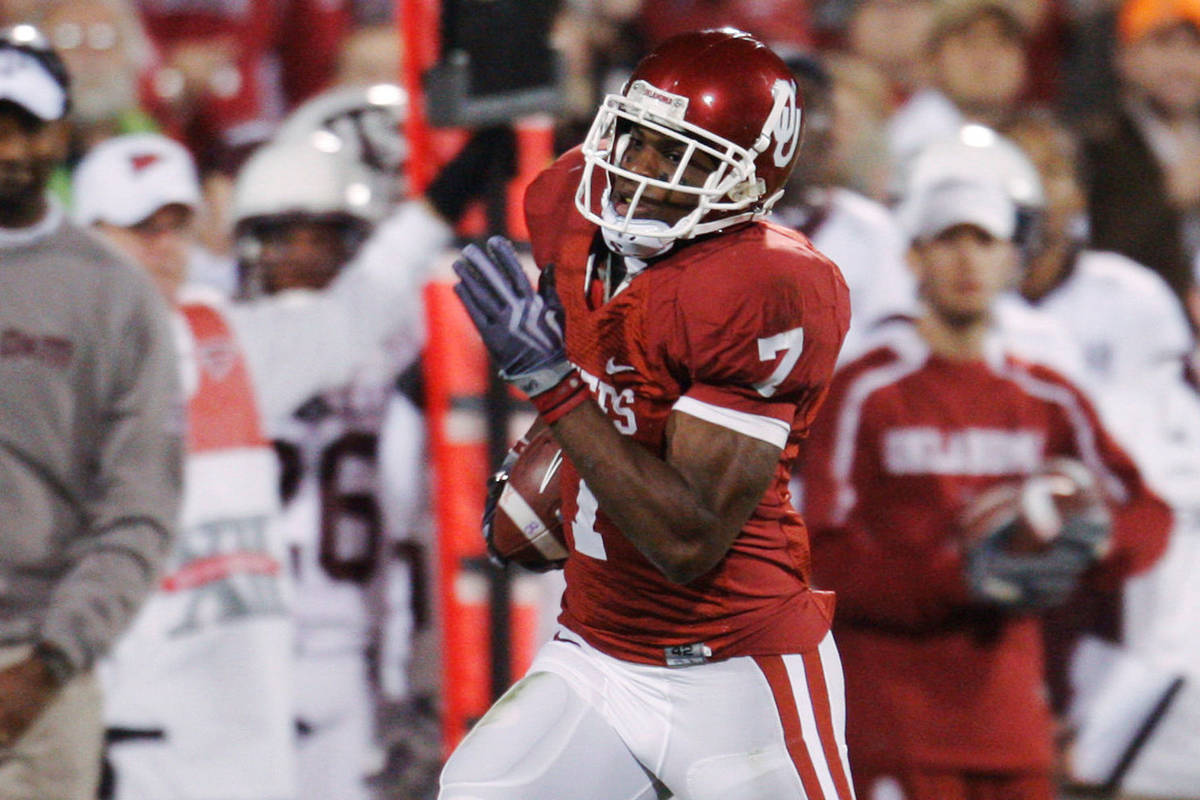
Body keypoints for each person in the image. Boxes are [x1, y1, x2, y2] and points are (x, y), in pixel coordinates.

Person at [442, 28, 855, 800]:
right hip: (597, 652)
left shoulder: (768, 285)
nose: (635, 171)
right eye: (634, 139)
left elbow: (687, 539)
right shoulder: (568, 203)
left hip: (737, 670)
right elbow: (617, 378)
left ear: (745, 180)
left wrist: (553, 384)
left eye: (677, 156)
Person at [72, 117, 502, 798]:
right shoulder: (42, 366)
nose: (160, 246)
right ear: (85, 239)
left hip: (249, 711)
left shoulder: (220, 341)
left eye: (174, 224)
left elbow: (352, 317)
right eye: (137, 227)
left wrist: (441, 203)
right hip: (124, 709)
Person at [799, 173, 1172, 800]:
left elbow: (1146, 513)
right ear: (913, 256)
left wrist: (1084, 553)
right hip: (894, 715)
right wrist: (955, 578)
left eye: (986, 241)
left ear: (1013, 260)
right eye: (949, 240)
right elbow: (816, 554)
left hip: (1012, 720)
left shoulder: (1046, 395)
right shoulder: (865, 390)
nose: (967, 259)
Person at [0, 25, 183, 800]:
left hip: (34, 676)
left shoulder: (115, 296)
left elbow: (139, 504)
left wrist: (48, 666)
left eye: (27, 125)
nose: (8, 148)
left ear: (63, 133)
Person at [1078, 0, 1200, 331]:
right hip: (1135, 334)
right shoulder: (1098, 147)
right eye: (1163, 45)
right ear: (1125, 57)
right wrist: (1171, 197)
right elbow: (1101, 256)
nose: (1181, 64)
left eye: (1193, 47)